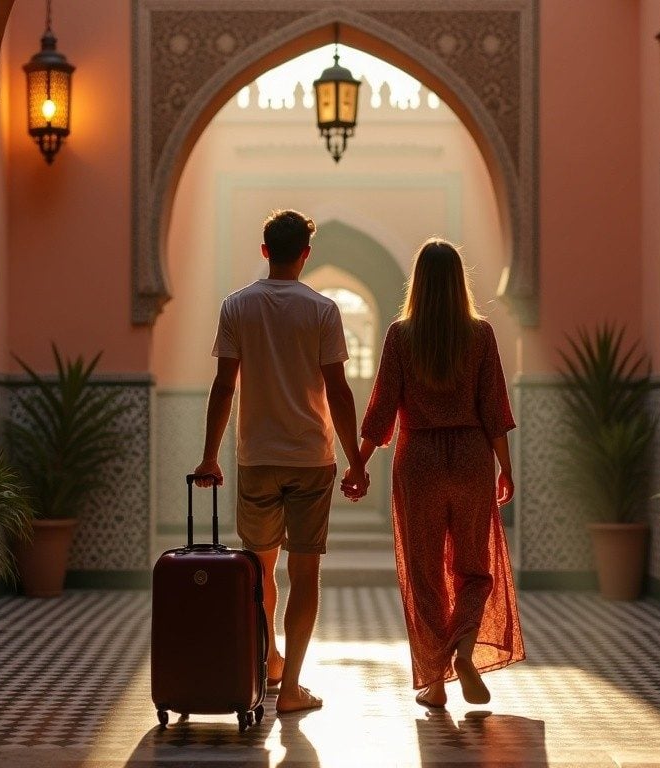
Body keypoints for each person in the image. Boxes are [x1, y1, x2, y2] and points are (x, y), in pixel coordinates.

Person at [194, 209, 369, 715]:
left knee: (259, 568)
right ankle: (291, 686)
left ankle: (269, 658)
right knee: (305, 572)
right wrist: (355, 460)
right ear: (306, 255)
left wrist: (209, 456)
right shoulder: (322, 310)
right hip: (312, 458)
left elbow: (224, 385)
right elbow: (338, 390)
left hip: (256, 458)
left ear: (265, 249)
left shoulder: (237, 306)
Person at [344, 238, 525, 709]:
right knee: (475, 570)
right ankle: (463, 650)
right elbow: (494, 409)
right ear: (458, 282)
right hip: (470, 456)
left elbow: (381, 410)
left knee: (423, 575)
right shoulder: (480, 334)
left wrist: (360, 461)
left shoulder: (400, 335)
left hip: (418, 459)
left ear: (418, 283)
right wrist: (505, 467)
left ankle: (436, 682)